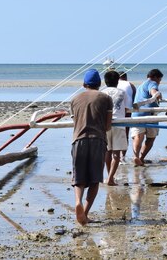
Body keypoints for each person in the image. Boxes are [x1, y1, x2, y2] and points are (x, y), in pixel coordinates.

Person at [70, 68, 113, 225]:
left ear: (83, 84)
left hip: (78, 141)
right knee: (95, 180)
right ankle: (85, 213)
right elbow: (107, 126)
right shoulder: (106, 98)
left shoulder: (74, 99)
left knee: (79, 178)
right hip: (97, 140)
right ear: (99, 84)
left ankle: (77, 202)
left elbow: (76, 121)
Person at [131, 68, 163, 166]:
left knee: (138, 137)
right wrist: (157, 94)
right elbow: (153, 91)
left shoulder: (141, 85)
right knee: (151, 138)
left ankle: (136, 156)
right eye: (159, 80)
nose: (159, 83)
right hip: (150, 115)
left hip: (137, 114)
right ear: (155, 77)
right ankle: (141, 158)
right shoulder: (152, 83)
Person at [101, 70, 128, 186]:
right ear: (118, 81)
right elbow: (127, 108)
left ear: (105, 81)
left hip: (105, 123)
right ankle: (111, 178)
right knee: (116, 153)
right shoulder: (122, 93)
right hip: (119, 123)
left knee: (107, 151)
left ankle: (109, 176)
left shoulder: (101, 93)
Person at [117, 71, 136, 162]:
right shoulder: (131, 85)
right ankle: (122, 157)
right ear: (126, 77)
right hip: (126, 113)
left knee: (113, 135)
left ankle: (114, 157)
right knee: (125, 135)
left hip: (114, 113)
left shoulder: (113, 84)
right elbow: (134, 100)